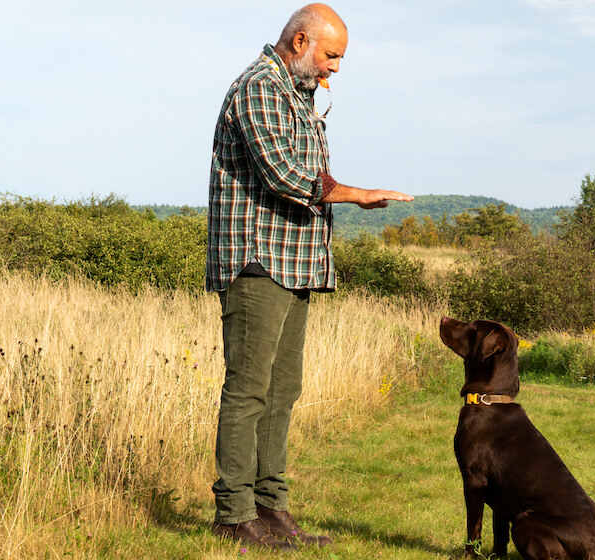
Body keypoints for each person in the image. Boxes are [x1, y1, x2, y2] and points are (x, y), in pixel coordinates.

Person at [205, 3, 413, 551]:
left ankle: (271, 508)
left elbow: (310, 175)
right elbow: (285, 175)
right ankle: (233, 514)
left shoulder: (299, 95)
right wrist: (356, 193)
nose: (335, 69)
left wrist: (341, 192)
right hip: (258, 262)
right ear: (300, 41)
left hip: (295, 263)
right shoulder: (257, 87)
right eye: (331, 55)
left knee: (283, 390)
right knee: (248, 390)